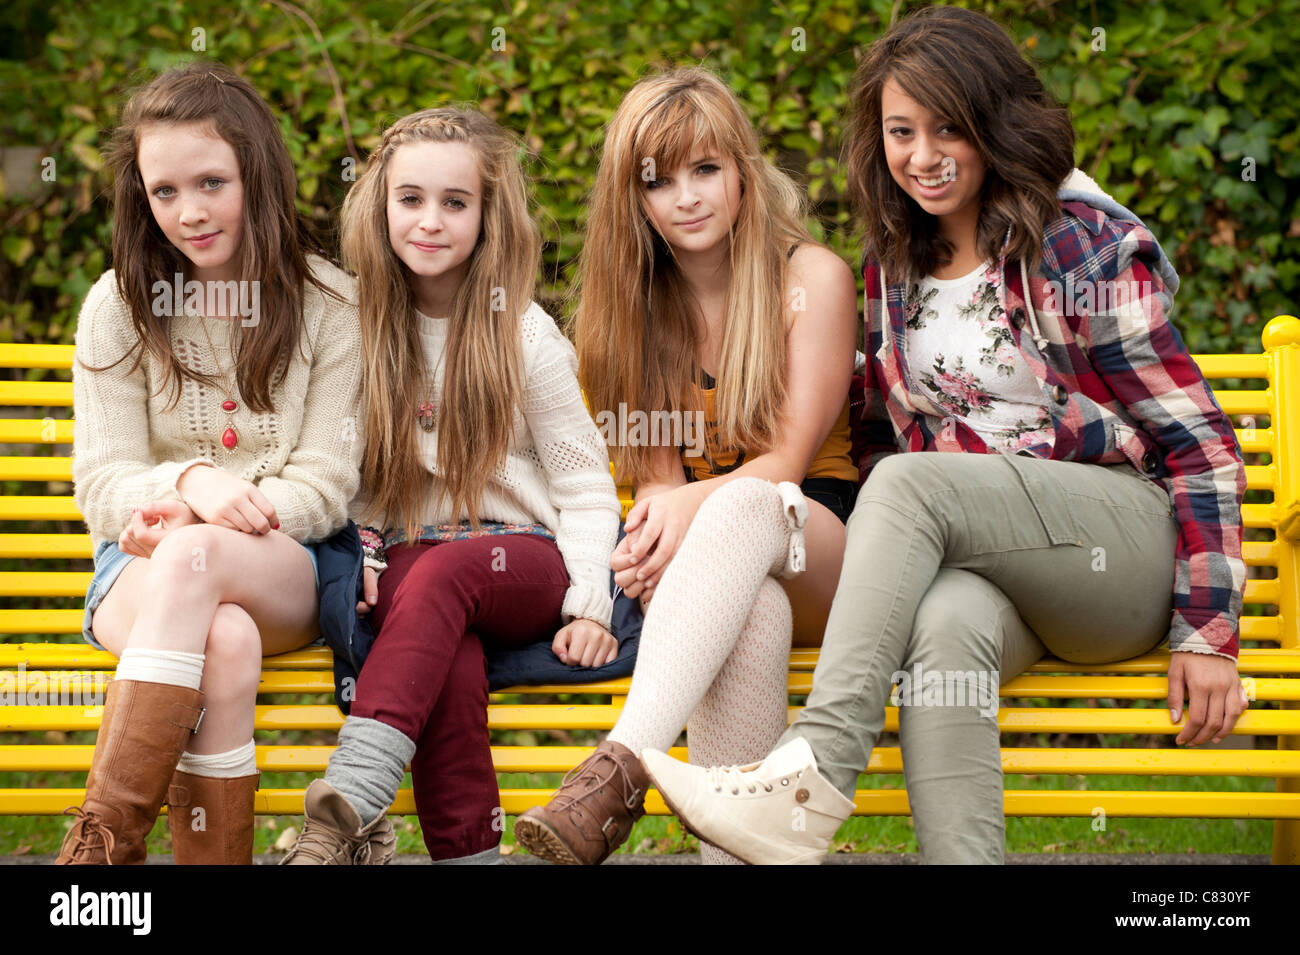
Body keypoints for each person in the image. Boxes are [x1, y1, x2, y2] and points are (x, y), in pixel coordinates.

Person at [641, 5, 1250, 865]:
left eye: (948, 128)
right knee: (943, 633)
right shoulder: (894, 260)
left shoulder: (1078, 246)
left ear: (996, 122)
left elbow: (1198, 442)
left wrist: (1208, 634)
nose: (922, 156)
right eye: (900, 131)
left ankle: (809, 778)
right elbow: (884, 433)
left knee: (905, 486)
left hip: (1116, 550)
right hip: (994, 568)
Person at [513, 67, 859, 865]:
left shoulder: (812, 279)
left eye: (706, 169)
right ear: (631, 199)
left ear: (742, 169)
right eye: (658, 180)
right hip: (730, 572)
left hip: (823, 538)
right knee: (753, 617)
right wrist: (647, 540)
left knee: (746, 510)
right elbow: (659, 480)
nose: (687, 196)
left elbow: (787, 461)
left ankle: (619, 767)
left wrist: (679, 511)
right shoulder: (627, 311)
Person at [279, 107, 623, 865]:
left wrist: (590, 599)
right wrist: (364, 556)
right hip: (410, 563)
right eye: (411, 199)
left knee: (445, 572)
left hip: (524, 560)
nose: (430, 221)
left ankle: (350, 800)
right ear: (381, 205)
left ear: (487, 215)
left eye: (454, 202)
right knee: (452, 658)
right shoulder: (356, 329)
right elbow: (355, 487)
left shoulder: (523, 334)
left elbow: (588, 487)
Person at [62, 62, 364, 865]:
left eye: (211, 182)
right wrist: (190, 480)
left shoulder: (332, 307)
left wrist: (210, 515)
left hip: (286, 567)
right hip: (138, 569)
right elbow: (100, 481)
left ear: (255, 174)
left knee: (199, 558)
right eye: (164, 192)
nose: (188, 212)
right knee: (221, 640)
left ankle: (96, 855)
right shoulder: (118, 307)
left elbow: (326, 484)